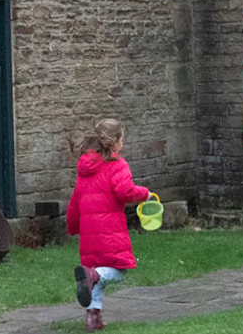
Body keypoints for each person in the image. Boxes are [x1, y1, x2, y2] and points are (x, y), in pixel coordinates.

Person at [66, 118, 151, 332]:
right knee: (118, 271)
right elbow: (125, 191)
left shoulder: (85, 167)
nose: (123, 144)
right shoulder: (117, 165)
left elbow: (76, 200)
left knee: (94, 273)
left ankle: (92, 318)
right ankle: (94, 276)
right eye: (122, 139)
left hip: (89, 232)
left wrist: (73, 226)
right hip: (109, 229)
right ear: (115, 143)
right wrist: (145, 194)